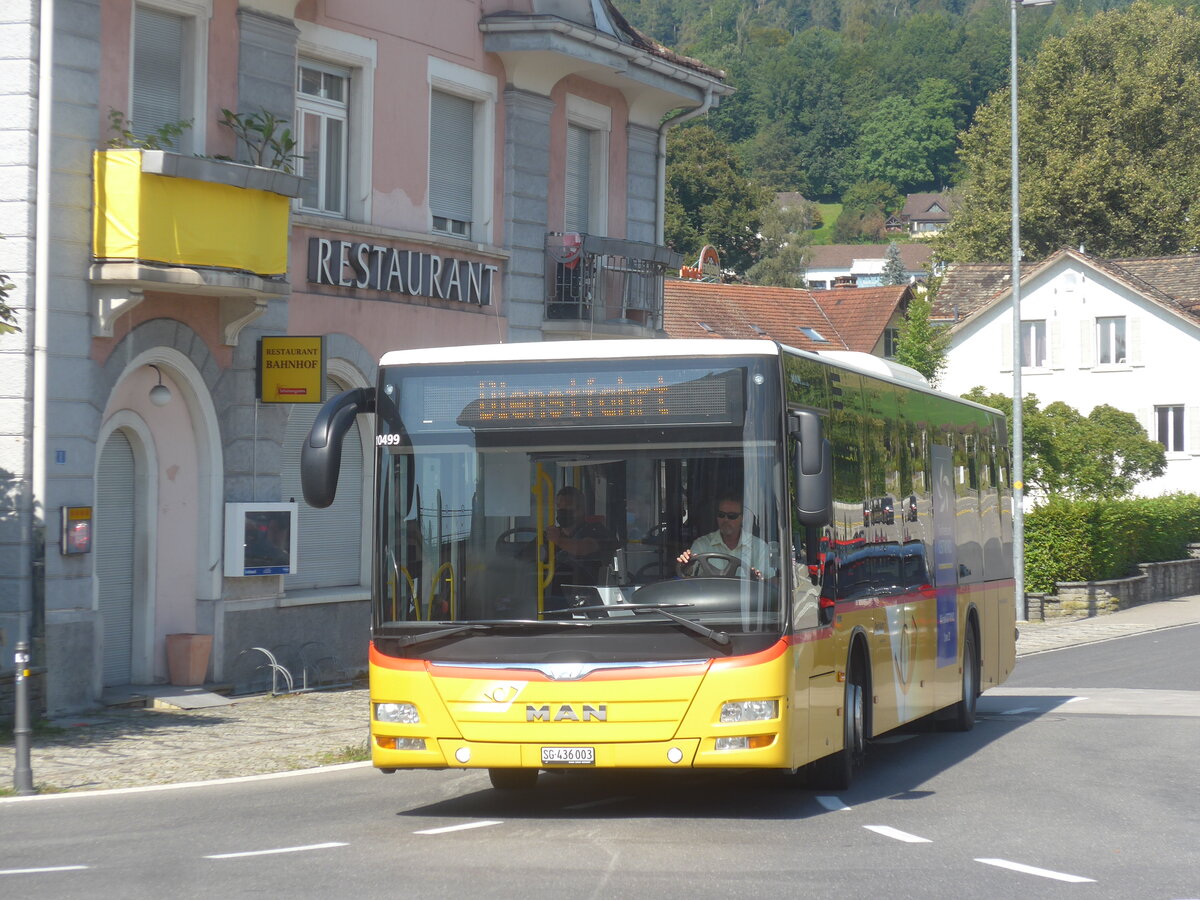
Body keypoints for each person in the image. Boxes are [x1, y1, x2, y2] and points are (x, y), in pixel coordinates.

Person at [677, 493, 772, 579]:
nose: (726, 520)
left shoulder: (760, 547)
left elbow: (771, 581)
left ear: (742, 518)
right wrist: (686, 564)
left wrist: (760, 578)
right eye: (721, 515)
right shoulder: (701, 545)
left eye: (732, 516)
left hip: (746, 594)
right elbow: (689, 577)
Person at [546, 486, 615, 602]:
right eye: (559, 506)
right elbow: (525, 556)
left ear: (581, 509)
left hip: (589, 598)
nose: (562, 509)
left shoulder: (596, 531)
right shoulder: (550, 535)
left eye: (567, 505)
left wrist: (558, 540)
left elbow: (584, 548)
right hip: (547, 599)